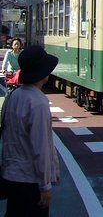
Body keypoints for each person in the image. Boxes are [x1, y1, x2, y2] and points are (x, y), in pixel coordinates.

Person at [1, 45, 61, 216]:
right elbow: (40, 148)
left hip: (11, 175)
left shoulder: (14, 96)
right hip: (30, 180)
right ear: (43, 74)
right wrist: (45, 186)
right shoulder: (38, 103)